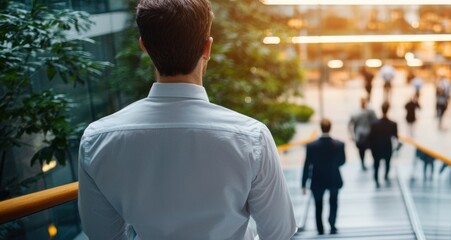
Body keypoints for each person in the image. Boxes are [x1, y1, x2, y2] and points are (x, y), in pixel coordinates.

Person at [77, 0, 296, 239]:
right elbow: (279, 233)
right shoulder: (252, 137)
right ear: (207, 48)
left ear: (145, 47)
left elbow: (102, 235)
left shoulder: (97, 139)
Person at [301, 119, 345, 235]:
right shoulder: (339, 144)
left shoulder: (311, 146)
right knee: (333, 201)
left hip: (317, 178)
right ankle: (332, 224)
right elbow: (342, 161)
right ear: (330, 127)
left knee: (318, 204)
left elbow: (307, 165)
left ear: (320, 128)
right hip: (333, 177)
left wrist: (303, 183)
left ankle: (320, 228)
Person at [368, 102, 399, 188]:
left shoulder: (374, 124)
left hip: (377, 147)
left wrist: (371, 147)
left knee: (376, 164)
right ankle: (385, 175)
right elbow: (395, 136)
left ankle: (376, 179)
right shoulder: (393, 124)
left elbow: (370, 137)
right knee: (387, 163)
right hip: (387, 146)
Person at [348, 97, 378, 171]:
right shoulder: (365, 112)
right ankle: (364, 164)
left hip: (365, 136)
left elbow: (376, 122)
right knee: (365, 152)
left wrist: (352, 135)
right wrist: (352, 135)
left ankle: (365, 164)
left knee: (366, 152)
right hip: (364, 136)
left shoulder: (370, 112)